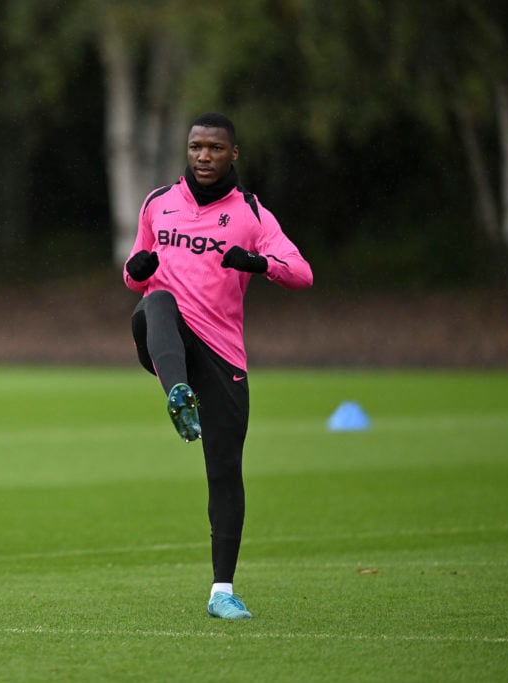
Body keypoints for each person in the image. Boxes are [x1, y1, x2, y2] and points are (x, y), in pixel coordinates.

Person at [123, 112, 313, 619]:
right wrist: (134, 270)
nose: (203, 156)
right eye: (196, 147)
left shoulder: (251, 214)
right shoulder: (157, 203)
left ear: (234, 154)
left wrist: (256, 263)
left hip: (222, 355)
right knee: (156, 303)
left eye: (214, 148)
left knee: (225, 472)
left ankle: (221, 591)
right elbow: (137, 273)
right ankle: (178, 395)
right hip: (165, 344)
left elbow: (302, 273)